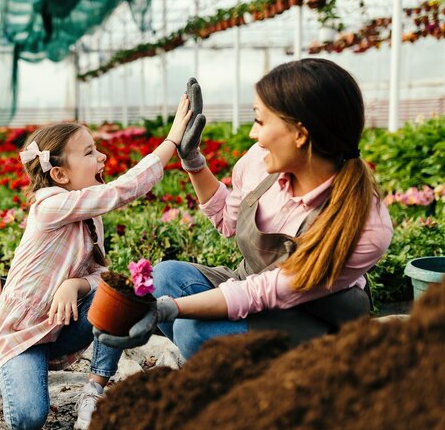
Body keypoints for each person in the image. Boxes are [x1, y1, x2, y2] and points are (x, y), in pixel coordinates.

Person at [97, 59, 394, 363]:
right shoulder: (259, 162)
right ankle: (228, 366)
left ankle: (295, 378)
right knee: (165, 278)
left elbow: (265, 291)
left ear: (300, 134)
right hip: (252, 286)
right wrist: (193, 161)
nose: (253, 134)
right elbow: (228, 222)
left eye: (260, 121)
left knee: (192, 330)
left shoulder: (364, 224)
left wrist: (169, 309)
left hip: (316, 320)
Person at [0, 92, 204, 430]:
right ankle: (23, 370)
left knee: (119, 293)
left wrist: (76, 284)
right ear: (58, 175)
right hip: (24, 334)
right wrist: (172, 141)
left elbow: (100, 274)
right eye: (89, 153)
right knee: (27, 420)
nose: (101, 156)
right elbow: (124, 190)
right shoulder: (49, 206)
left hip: (62, 325)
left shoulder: (88, 216)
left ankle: (93, 391)